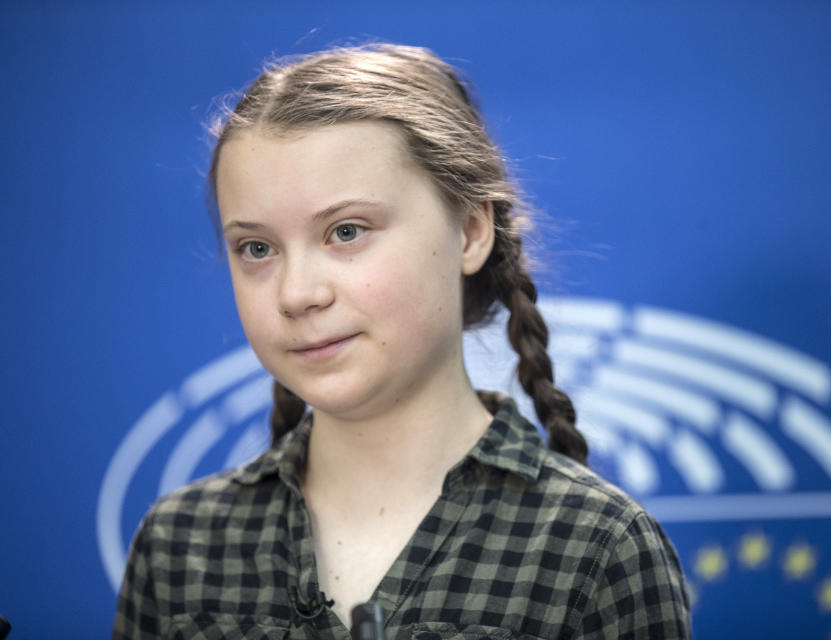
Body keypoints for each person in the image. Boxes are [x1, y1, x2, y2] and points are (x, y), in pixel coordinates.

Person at [113, 43, 690, 640]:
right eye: (257, 248)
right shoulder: (180, 543)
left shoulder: (597, 547)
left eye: (346, 231)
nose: (296, 293)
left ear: (470, 231)